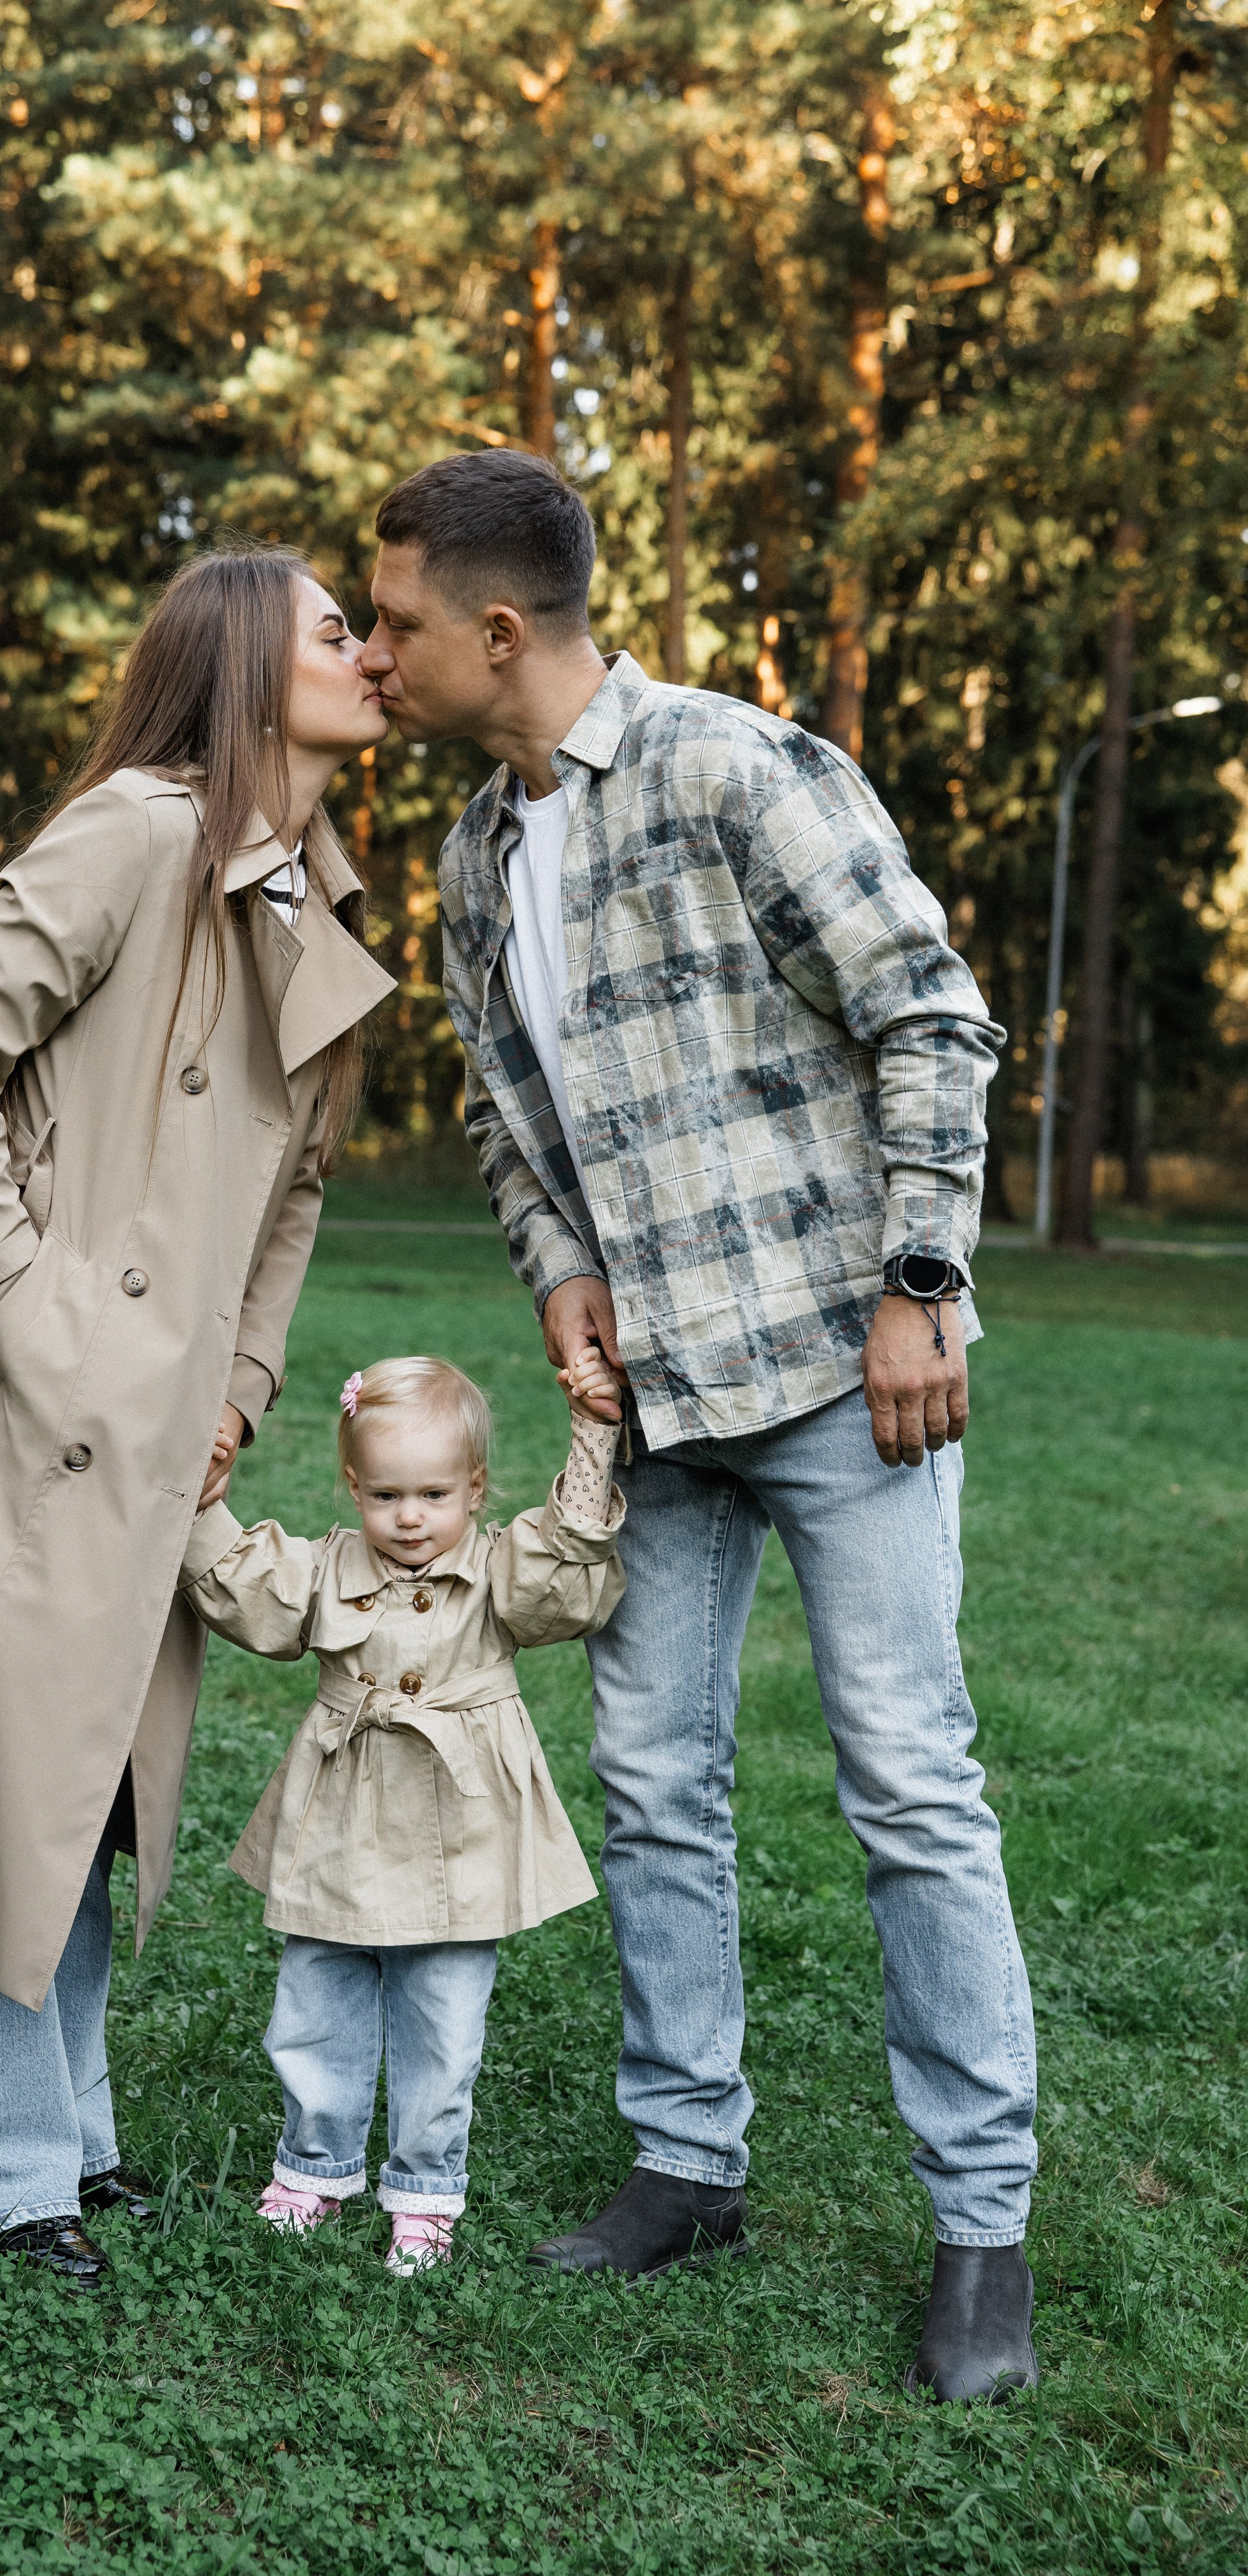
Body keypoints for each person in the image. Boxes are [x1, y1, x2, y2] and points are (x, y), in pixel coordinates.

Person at [359, 450, 1039, 2402]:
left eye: (396, 619)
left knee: (907, 1781)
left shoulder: (744, 766)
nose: (374, 650)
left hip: (844, 1372)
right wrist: (557, 1268)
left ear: (499, 629)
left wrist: (920, 1280)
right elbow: (508, 1112)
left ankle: (977, 2224)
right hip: (644, 1403)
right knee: (651, 1779)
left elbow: (927, 1011)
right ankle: (686, 2160)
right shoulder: (479, 852)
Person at [0, 547, 395, 2287]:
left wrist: (240, 1386)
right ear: (243, 664)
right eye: (334, 624)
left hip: (163, 1419)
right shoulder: (134, 829)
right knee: (2, 1772)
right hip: (25, 1397)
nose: (366, 648)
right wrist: (45, 1312)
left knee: (96, 1785)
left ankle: (73, 2131)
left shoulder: (311, 899)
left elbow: (296, 1194)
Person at [176, 1352, 625, 2273]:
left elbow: (566, 1582)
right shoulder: (328, 1568)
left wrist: (594, 1436)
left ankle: (424, 2189)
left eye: (433, 1494)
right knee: (316, 1997)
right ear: (352, 1486)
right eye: (386, 1496)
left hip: (459, 1831)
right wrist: (200, 1499)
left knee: (444, 2017)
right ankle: (315, 2165)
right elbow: (246, 1588)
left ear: (474, 1487)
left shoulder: (501, 1566)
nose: (410, 1518)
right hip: (342, 1816)